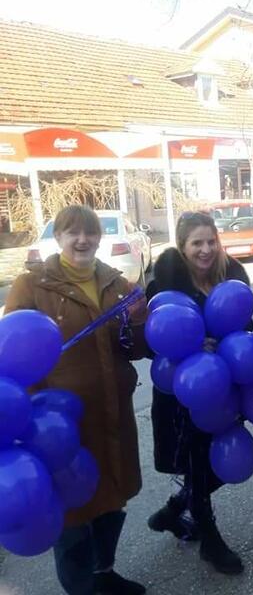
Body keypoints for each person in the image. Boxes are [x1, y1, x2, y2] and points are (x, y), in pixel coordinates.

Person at [5, 205, 146, 595]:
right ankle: (81, 588)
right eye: (73, 232)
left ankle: (105, 573)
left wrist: (138, 320)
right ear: (59, 237)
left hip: (112, 417)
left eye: (90, 232)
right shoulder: (32, 286)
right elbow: (12, 356)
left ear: (99, 237)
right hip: (58, 427)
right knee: (72, 512)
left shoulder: (116, 284)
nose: (82, 240)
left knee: (112, 500)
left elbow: (136, 350)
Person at [145, 212, 249, 575]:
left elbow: (244, 324)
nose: (205, 250)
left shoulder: (230, 275)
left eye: (210, 241)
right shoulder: (166, 286)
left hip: (223, 388)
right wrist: (188, 344)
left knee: (216, 468)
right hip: (184, 393)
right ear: (182, 246)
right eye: (196, 243)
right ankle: (210, 541)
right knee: (197, 464)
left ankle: (174, 510)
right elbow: (154, 341)